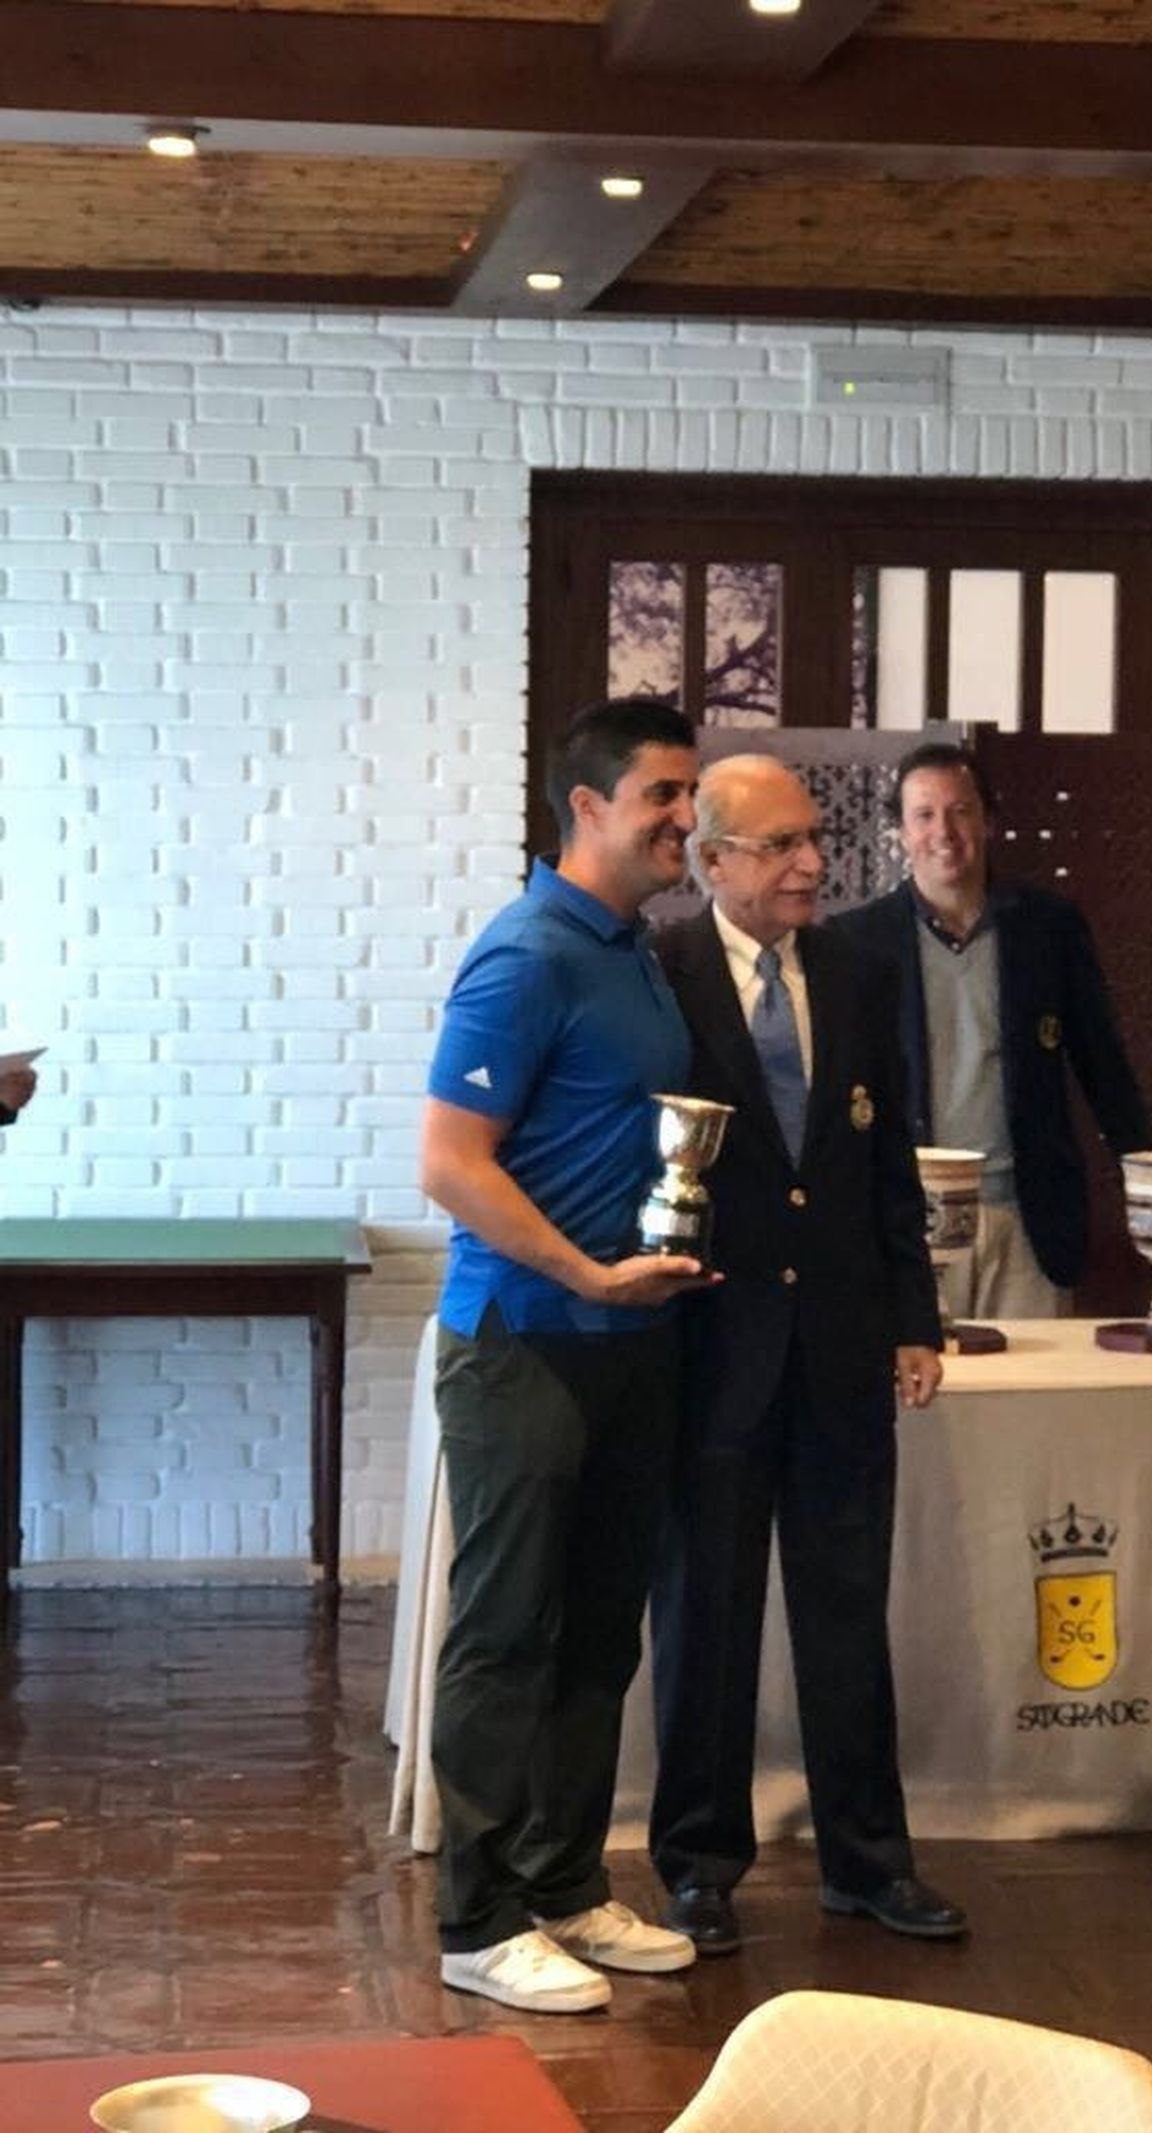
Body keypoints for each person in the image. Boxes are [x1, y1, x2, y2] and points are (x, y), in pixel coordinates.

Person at [418, 697, 713, 2016]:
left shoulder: (634, 948)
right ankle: (475, 1920)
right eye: (662, 793)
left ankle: (563, 1883)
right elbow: (448, 1165)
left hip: (630, 1343)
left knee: (599, 1634)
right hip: (525, 1344)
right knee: (506, 1635)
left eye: (690, 792)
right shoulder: (526, 954)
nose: (684, 817)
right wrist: (589, 1273)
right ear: (585, 806)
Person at [648, 754, 966, 1956]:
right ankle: (699, 1868)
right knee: (706, 1617)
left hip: (840, 1349)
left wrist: (911, 1319)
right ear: (712, 861)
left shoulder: (857, 970)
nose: (811, 863)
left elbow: (892, 1164)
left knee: (845, 1613)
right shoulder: (660, 973)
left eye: (815, 840)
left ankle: (868, 1863)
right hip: (714, 1347)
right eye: (778, 845)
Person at [832, 741, 1151, 1318]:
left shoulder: (1049, 928)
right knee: (919, 1399)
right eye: (924, 816)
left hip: (1028, 1216)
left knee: (1031, 1398)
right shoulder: (855, 943)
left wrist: (1147, 1170)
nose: (944, 832)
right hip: (910, 1218)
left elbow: (1103, 1064)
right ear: (901, 832)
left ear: (989, 819)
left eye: (960, 811)